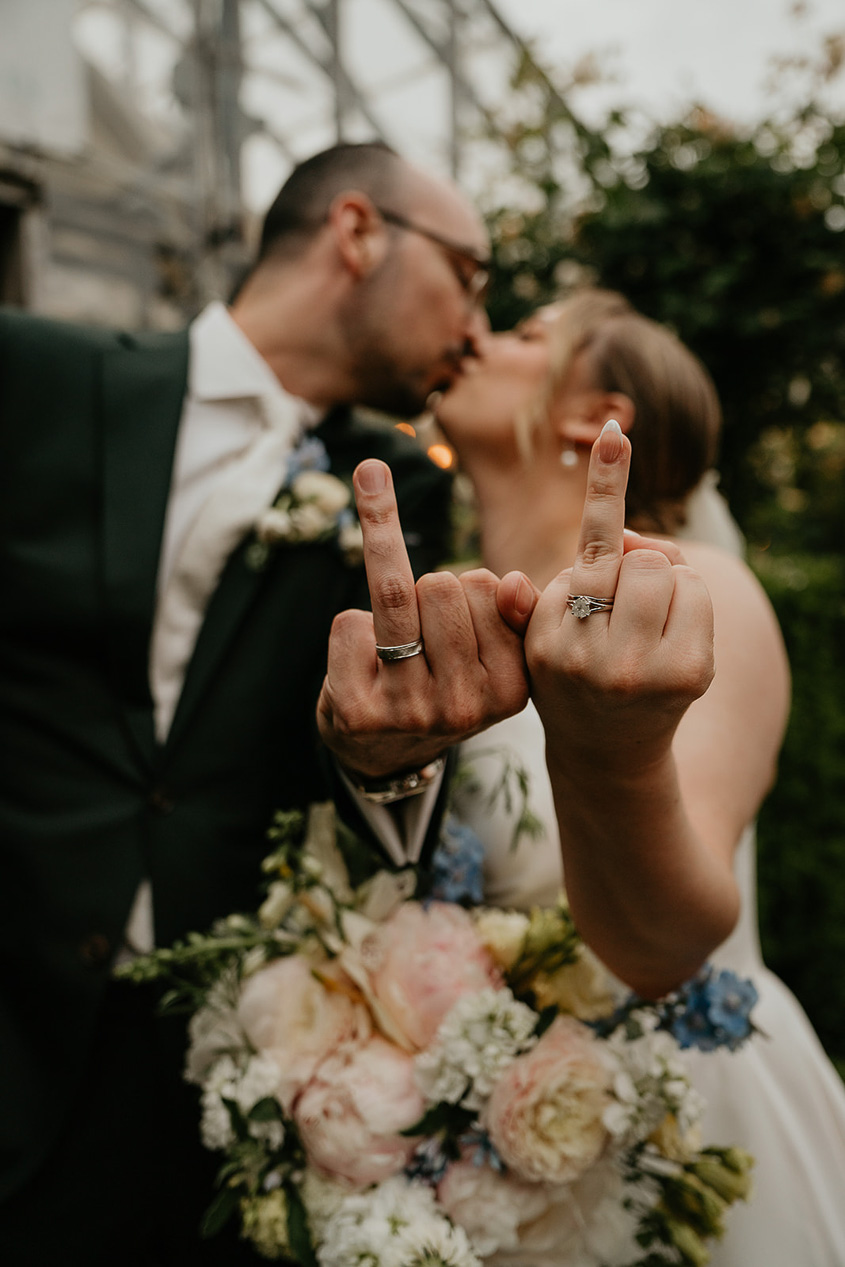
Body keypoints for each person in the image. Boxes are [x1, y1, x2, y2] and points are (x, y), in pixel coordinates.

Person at [0, 142, 533, 1266]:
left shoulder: (400, 488)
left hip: (212, 1085)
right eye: (469, 275)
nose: (477, 328)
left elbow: (364, 765)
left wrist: (389, 756)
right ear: (356, 231)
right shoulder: (35, 375)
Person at [427, 288, 845, 1264]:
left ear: (592, 414)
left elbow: (664, 943)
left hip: (679, 1132)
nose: (477, 340)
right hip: (484, 1142)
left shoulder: (694, 591)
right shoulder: (449, 622)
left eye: (526, 336)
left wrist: (603, 749)